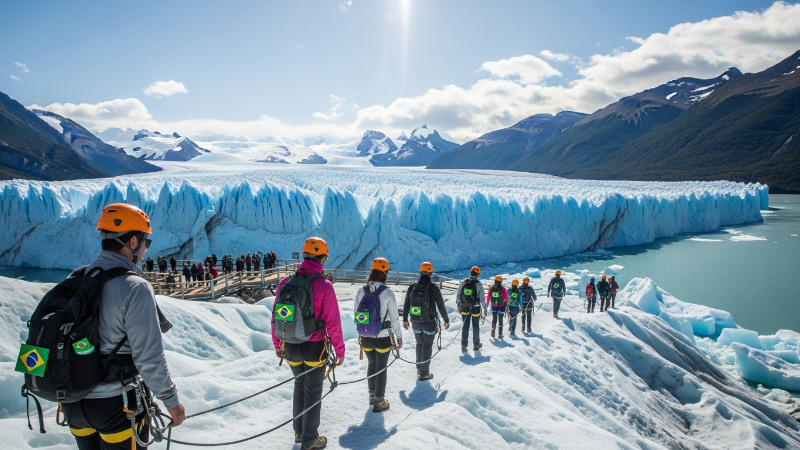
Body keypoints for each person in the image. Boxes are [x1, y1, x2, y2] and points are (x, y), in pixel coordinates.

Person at [62, 203, 185, 450]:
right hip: (117, 405)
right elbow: (149, 357)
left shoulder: (78, 278)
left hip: (74, 403)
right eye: (146, 242)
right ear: (132, 242)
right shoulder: (134, 286)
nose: (146, 249)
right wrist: (172, 402)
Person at [271, 237, 344, 450]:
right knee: (313, 391)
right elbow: (333, 322)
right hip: (315, 348)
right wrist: (339, 350)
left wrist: (277, 343)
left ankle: (299, 432)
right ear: (322, 259)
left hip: (290, 346)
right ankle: (310, 438)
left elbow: (277, 315)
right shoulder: (324, 286)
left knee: (299, 385)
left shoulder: (286, 282)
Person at [354, 257, 403, 412]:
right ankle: (379, 401)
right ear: (385, 273)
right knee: (381, 367)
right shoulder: (387, 293)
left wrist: (364, 331)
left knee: (371, 364)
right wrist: (399, 336)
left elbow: (357, 314)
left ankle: (372, 396)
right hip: (383, 338)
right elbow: (394, 318)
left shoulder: (361, 291)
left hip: (365, 337)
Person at [403, 262, 450, 381]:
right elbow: (441, 305)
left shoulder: (412, 287)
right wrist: (446, 319)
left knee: (419, 344)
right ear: (431, 273)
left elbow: (406, 304)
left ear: (420, 272)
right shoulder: (434, 288)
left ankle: (419, 369)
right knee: (427, 346)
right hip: (429, 322)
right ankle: (424, 373)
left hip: (415, 322)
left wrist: (405, 319)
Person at [457, 266, 486, 352]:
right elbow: (482, 298)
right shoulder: (479, 284)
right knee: (475, 325)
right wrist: (485, 309)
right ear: (478, 274)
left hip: (464, 306)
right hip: (475, 307)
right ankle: (476, 345)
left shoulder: (463, 282)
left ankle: (463, 346)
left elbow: (458, 295)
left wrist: (458, 305)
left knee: (465, 325)